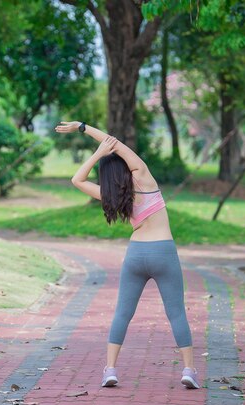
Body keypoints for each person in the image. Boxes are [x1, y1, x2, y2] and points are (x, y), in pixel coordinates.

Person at [54, 121, 200, 390]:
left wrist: (97, 155)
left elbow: (77, 180)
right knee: (176, 312)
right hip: (163, 251)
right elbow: (114, 142)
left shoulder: (111, 194)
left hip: (136, 254)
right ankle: (189, 370)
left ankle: (110, 369)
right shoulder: (144, 177)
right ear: (124, 165)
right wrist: (83, 127)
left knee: (122, 313)